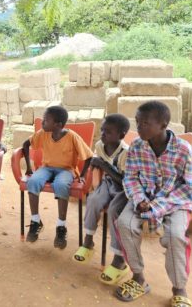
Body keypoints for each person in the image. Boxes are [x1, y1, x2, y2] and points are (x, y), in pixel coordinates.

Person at [115, 102, 192, 305]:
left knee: (175, 235)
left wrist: (156, 206)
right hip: (143, 197)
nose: (139, 127)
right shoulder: (136, 146)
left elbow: (189, 189)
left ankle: (179, 288)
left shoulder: (184, 150)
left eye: (145, 123)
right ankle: (138, 278)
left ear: (163, 125)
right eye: (137, 122)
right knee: (124, 224)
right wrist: (140, 199)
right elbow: (131, 177)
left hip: (175, 201)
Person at [23, 105, 93, 249]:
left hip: (66, 170)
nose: (42, 122)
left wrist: (83, 175)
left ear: (58, 125)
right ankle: (35, 221)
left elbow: (89, 156)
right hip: (46, 168)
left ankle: (61, 226)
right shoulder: (43, 133)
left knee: (61, 185)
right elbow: (25, 144)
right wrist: (29, 167)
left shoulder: (72, 137)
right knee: (33, 181)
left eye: (46, 120)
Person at [72, 114, 131, 285]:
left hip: (123, 189)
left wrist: (104, 165)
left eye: (108, 132)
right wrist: (97, 169)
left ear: (121, 135)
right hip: (107, 183)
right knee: (93, 200)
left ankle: (119, 259)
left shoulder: (126, 153)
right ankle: (88, 242)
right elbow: (97, 166)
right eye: (102, 130)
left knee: (114, 211)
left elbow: (125, 181)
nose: (103, 134)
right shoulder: (99, 145)